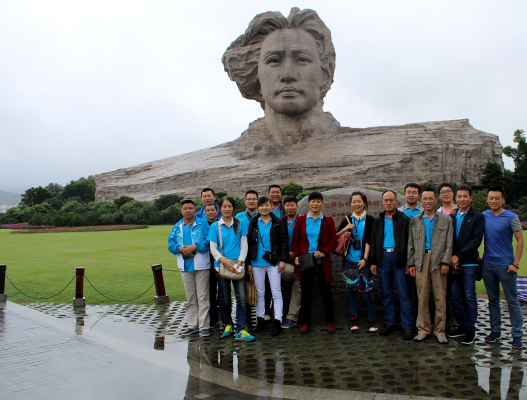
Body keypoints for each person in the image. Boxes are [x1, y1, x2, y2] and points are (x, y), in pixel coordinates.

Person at [481, 186, 524, 349]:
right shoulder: (484, 215)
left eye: (497, 198)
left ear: (503, 199)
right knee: (493, 300)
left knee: (512, 301)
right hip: (487, 265)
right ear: (487, 199)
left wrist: (515, 263)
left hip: (506, 266)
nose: (494, 201)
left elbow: (520, 241)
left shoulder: (511, 217)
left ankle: (517, 335)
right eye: (491, 198)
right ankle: (495, 331)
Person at [408, 188, 453, 344]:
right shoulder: (415, 220)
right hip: (421, 260)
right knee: (422, 296)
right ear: (421, 201)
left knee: (440, 297)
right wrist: (411, 263)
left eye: (430, 198)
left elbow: (449, 243)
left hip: (439, 260)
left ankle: (440, 330)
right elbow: (411, 244)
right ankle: (423, 329)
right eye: (425, 199)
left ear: (436, 200)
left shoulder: (446, 219)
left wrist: (446, 261)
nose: (428, 201)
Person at [207, 197, 255, 342]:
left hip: (238, 266)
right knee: (224, 297)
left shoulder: (240, 224)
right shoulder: (215, 226)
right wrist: (224, 261)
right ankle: (228, 324)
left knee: (241, 297)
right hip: (221, 266)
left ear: (233, 208)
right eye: (224, 206)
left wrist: (240, 262)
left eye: (229, 206)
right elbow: (213, 248)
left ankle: (240, 328)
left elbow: (244, 245)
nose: (227, 209)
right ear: (220, 209)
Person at [370, 190, 414, 340]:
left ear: (396, 202)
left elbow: (410, 243)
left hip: (399, 259)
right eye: (386, 200)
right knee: (386, 293)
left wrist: (409, 262)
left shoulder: (405, 220)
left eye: (391, 200)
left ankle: (408, 325)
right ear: (382, 202)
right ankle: (390, 322)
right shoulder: (378, 221)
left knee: (404, 294)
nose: (388, 203)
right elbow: (373, 242)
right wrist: (373, 262)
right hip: (383, 259)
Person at [292, 191, 338, 334]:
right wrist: (297, 255)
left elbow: (333, 241)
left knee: (326, 293)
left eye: (318, 201)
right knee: (306, 293)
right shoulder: (301, 219)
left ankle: (330, 322)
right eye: (313, 201)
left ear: (322, 203)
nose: (315, 204)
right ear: (308, 203)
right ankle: (306, 322)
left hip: (321, 262)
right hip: (306, 261)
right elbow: (295, 239)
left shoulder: (328, 220)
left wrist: (324, 251)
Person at [168, 200, 211, 337]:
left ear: (194, 209)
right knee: (191, 298)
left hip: (201, 265)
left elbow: (208, 241)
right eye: (185, 208)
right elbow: (171, 244)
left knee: (203, 297)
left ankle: (204, 326)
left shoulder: (202, 223)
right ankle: (192, 325)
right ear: (181, 210)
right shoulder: (177, 226)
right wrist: (181, 249)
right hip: (185, 266)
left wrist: (195, 247)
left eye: (190, 208)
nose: (188, 210)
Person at [246, 196, 289, 336]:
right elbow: (249, 243)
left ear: (271, 206)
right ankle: (260, 319)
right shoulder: (253, 222)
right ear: (258, 207)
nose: (264, 208)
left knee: (276, 292)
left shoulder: (277, 221)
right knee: (260, 293)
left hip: (273, 262)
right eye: (261, 205)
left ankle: (278, 320)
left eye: (266, 205)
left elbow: (283, 241)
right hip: (256, 262)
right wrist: (248, 263)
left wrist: (283, 260)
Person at [447, 186, 484, 345]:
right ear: (456, 198)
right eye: (459, 196)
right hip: (453, 263)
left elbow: (476, 240)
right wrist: (452, 258)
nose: (462, 199)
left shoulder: (477, 216)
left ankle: (470, 329)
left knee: (469, 295)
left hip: (469, 262)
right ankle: (462, 325)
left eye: (465, 196)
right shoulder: (452, 216)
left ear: (471, 198)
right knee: (455, 295)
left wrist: (458, 256)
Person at [337, 191, 377, 332]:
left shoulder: (371, 220)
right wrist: (346, 229)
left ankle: (372, 320)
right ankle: (353, 319)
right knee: (350, 291)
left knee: (366, 291)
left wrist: (365, 259)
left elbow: (370, 241)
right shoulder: (347, 219)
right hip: (348, 261)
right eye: (353, 201)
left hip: (363, 261)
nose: (356, 204)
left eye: (359, 201)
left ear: (364, 203)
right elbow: (335, 236)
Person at [280, 196, 302, 329]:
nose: (290, 207)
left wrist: (297, 254)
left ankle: (291, 317)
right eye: (287, 205)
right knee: (289, 276)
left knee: (298, 283)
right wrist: (286, 254)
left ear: (297, 206)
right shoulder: (279, 222)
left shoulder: (302, 221)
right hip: (284, 261)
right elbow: (275, 241)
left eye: (292, 205)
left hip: (299, 260)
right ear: (284, 207)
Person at [204, 203, 222, 328]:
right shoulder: (202, 225)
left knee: (223, 291)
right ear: (205, 213)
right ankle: (213, 317)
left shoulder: (221, 224)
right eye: (208, 210)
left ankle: (224, 315)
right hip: (207, 262)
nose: (210, 212)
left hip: (221, 261)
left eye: (212, 210)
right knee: (210, 290)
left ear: (217, 211)